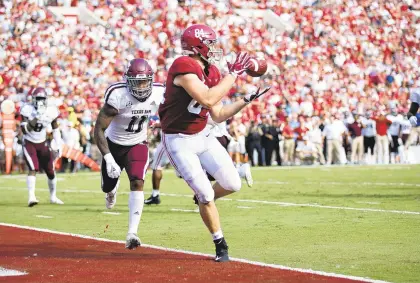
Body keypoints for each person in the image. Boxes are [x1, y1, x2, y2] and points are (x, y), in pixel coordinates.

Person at [158, 24, 269, 262]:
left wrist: (245, 101)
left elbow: (217, 113)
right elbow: (207, 97)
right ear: (196, 47)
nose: (214, 48)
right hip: (179, 140)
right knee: (207, 194)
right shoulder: (183, 66)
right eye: (209, 44)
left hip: (203, 136)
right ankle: (220, 243)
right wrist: (234, 75)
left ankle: (202, 197)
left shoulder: (213, 71)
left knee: (232, 183)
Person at [94, 58, 165, 250]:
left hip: (138, 142)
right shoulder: (117, 94)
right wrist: (108, 158)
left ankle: (132, 233)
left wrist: (159, 123)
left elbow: (169, 112)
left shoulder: (159, 91)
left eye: (145, 81)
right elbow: (98, 129)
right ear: (128, 81)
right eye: (137, 82)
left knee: (138, 182)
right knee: (107, 185)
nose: (142, 87)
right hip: (114, 143)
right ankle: (111, 190)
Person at [144, 116, 254, 205]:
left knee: (194, 172)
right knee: (192, 172)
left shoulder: (203, 98)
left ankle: (237, 172)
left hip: (208, 137)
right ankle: (206, 196)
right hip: (211, 136)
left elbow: (205, 117)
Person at [20, 87, 64, 207]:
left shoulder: (51, 110)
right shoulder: (27, 109)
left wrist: (59, 144)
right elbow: (24, 130)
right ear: (33, 99)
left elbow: (55, 129)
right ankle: (31, 197)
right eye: (37, 99)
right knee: (33, 168)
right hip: (29, 142)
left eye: (41, 99)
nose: (39, 101)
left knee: (50, 170)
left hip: (43, 142)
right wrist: (36, 117)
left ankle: (53, 197)